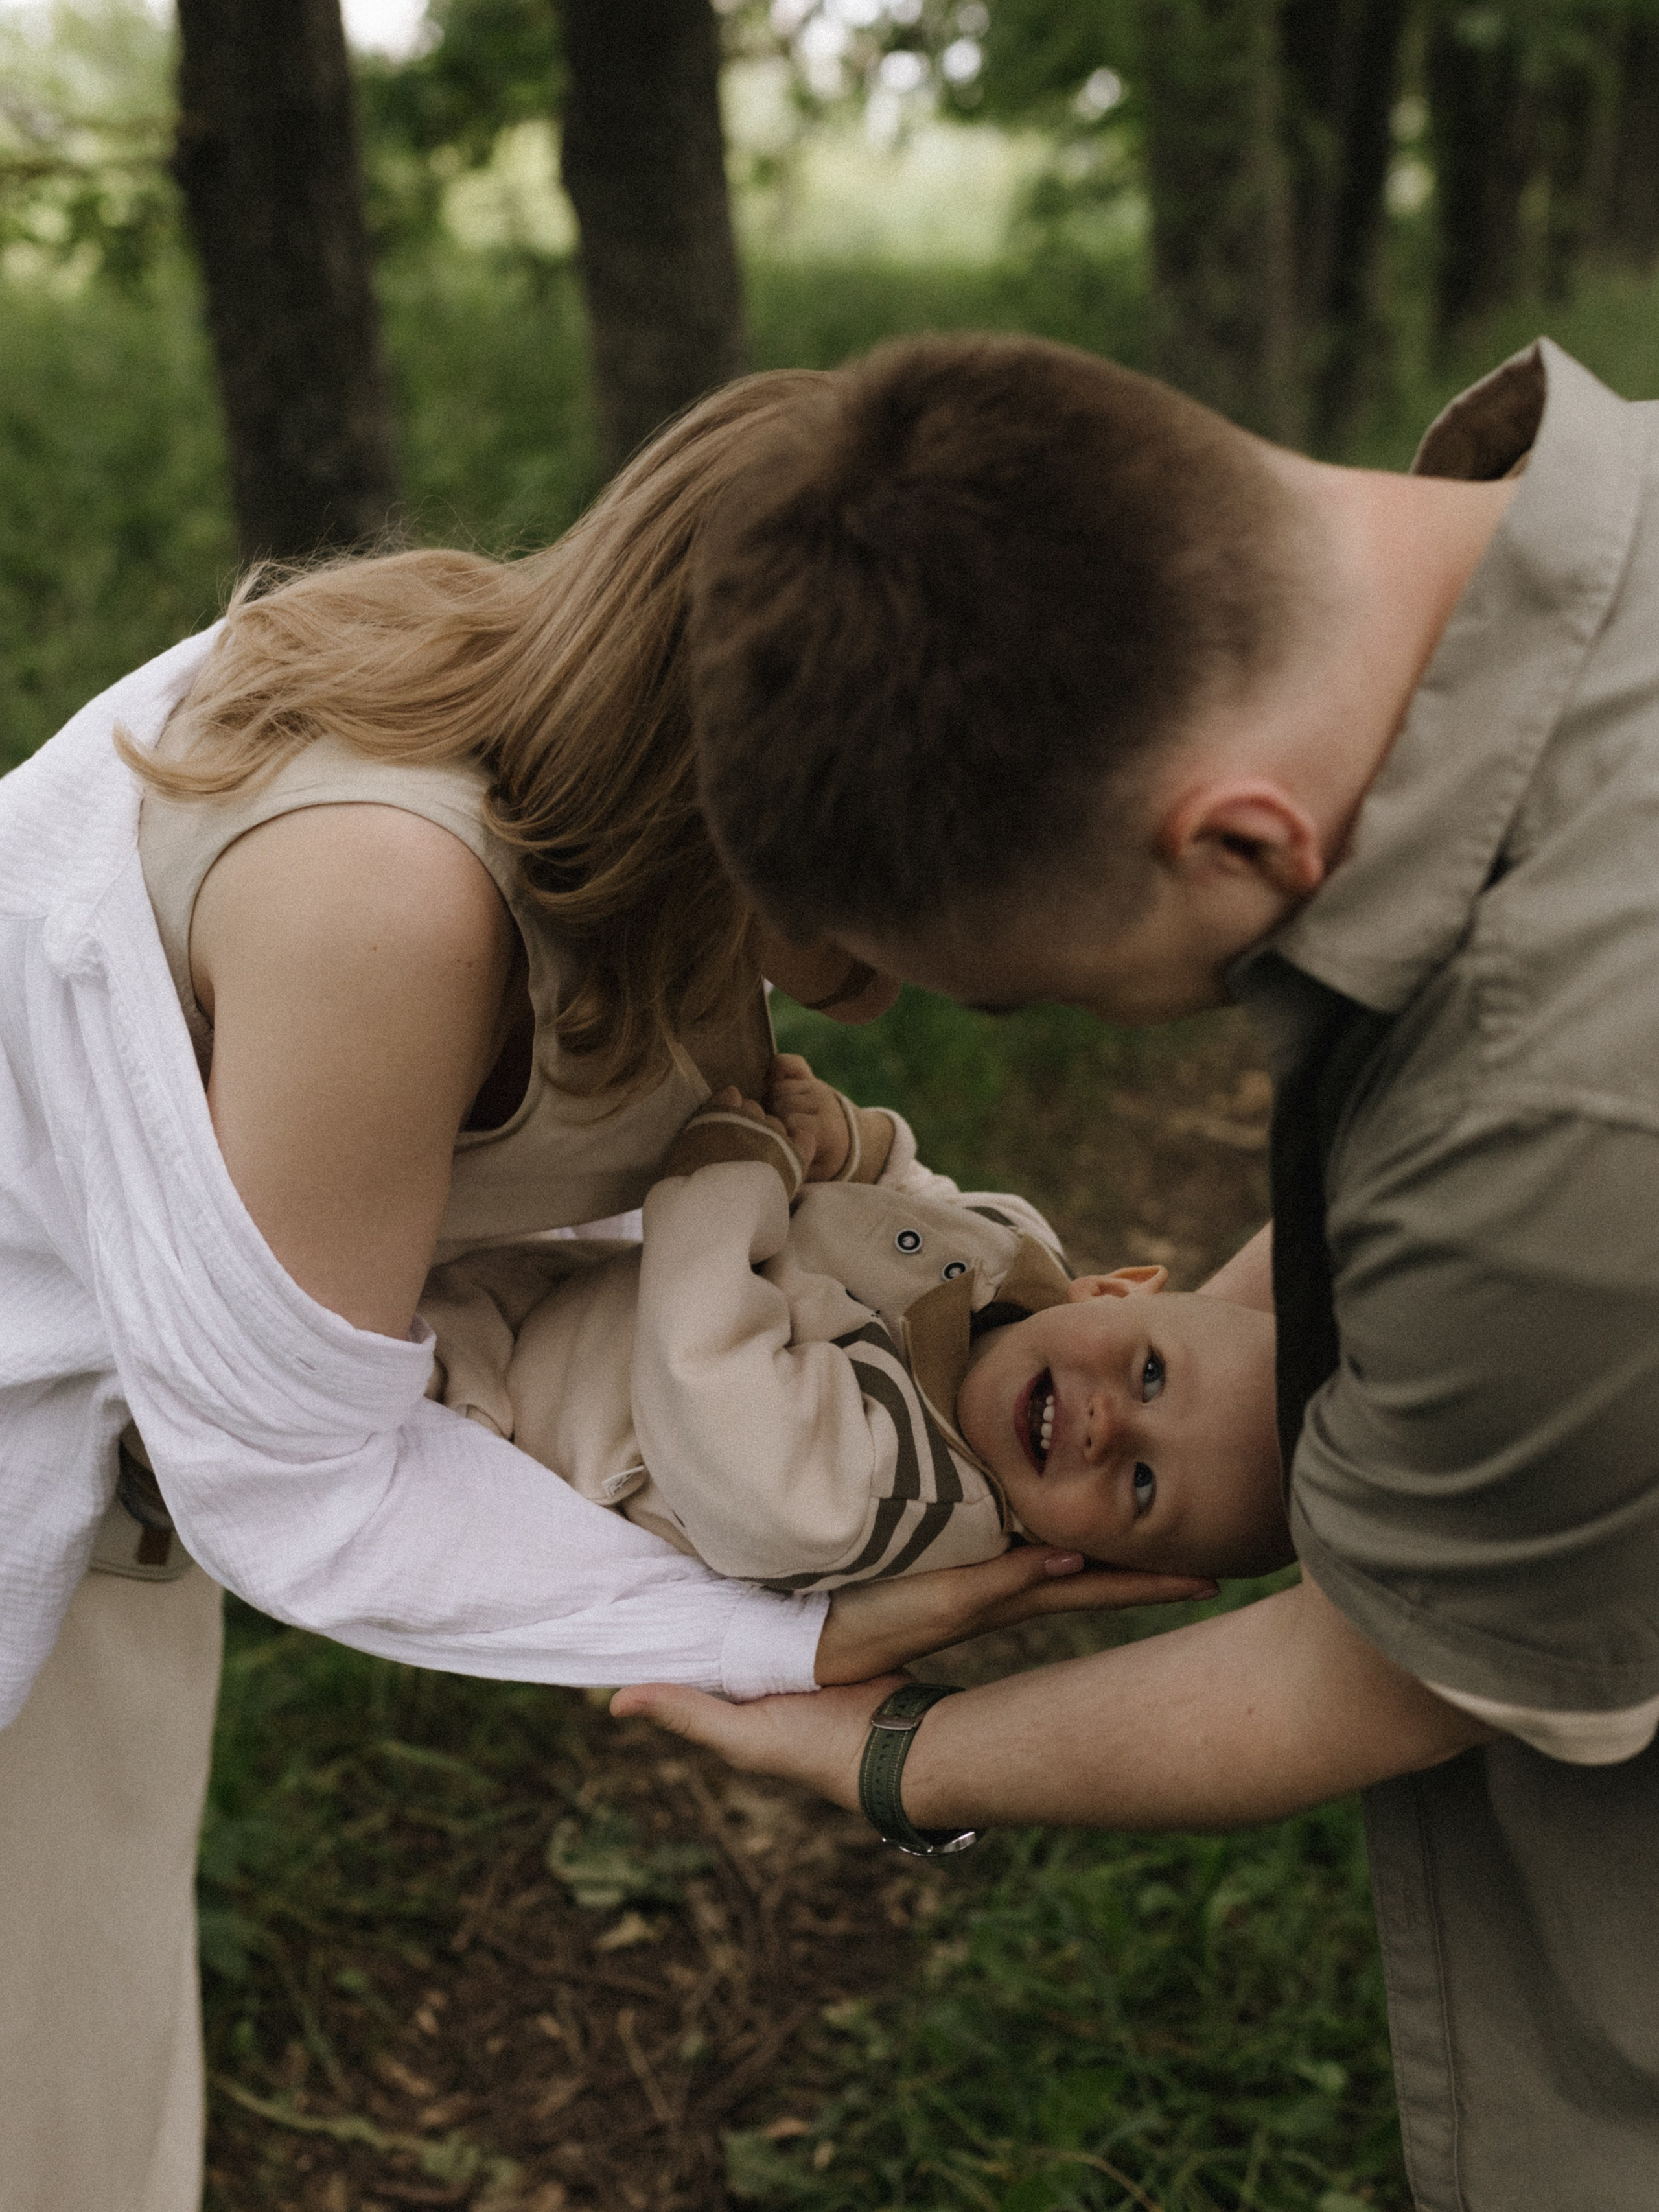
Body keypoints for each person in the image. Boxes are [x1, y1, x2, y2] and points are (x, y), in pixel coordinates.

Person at [0, 370, 1201, 2212]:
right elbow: (304, 1481)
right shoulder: (390, 896)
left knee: (72, 2079)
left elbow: (597, 1209)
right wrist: (778, 1640)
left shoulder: (629, 813)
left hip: (99, 1503)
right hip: (64, 1451)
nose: (910, 985)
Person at [616, 331, 1659, 2207]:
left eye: (1091, 993)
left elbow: (1402, 1665)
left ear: (1245, 837)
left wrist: (895, 1753)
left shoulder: (1566, 1102)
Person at [421, 1053, 1286, 1589]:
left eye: (1142, 1486)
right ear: (1116, 1291)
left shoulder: (897, 1493)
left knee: (342, 1296)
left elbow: (707, 1371)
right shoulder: (1021, 1267)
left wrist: (724, 1184)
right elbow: (917, 1199)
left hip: (492, 1401)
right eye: (1152, 1374)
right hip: (566, 1277)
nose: (1109, 1427)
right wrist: (851, 1142)